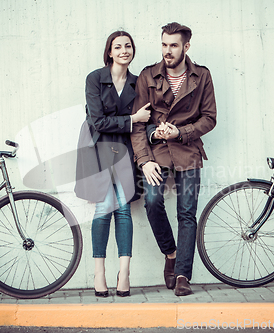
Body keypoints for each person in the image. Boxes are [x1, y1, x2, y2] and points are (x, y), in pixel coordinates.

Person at [130, 22, 217, 296]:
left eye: (174, 45)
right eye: (164, 44)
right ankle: (171, 254)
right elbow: (137, 124)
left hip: (188, 150)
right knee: (153, 201)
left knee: (186, 213)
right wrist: (144, 159)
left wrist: (182, 131)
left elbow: (210, 118)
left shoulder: (201, 76)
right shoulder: (147, 76)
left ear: (186, 46)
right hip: (156, 153)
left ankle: (182, 274)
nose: (167, 51)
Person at [74, 31, 151, 297]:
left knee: (123, 208)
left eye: (128, 46)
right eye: (117, 47)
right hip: (98, 147)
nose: (123, 51)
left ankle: (125, 273)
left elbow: (146, 119)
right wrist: (132, 119)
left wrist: (143, 124)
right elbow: (97, 121)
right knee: (105, 205)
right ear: (109, 52)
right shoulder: (95, 79)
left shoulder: (138, 82)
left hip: (126, 148)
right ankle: (99, 273)